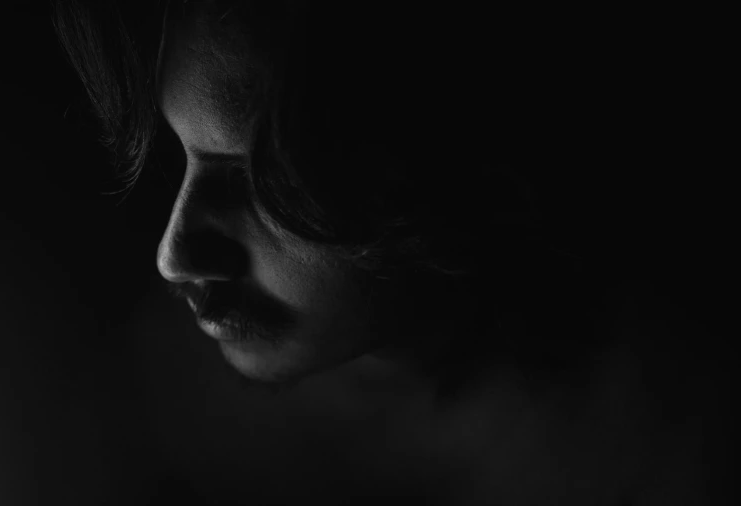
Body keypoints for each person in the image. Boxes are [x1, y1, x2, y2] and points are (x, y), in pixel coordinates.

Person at [53, 1, 733, 504]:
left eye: (260, 178)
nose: (173, 256)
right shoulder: (169, 390)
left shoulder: (673, 438)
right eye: (181, 159)